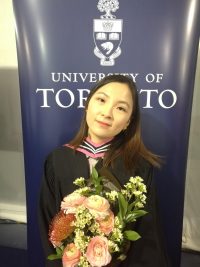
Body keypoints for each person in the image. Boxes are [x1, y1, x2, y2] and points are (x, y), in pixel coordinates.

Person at [38, 74, 170, 267]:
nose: (107, 113)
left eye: (121, 108)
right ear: (87, 104)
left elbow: (147, 237)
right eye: (101, 100)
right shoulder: (57, 161)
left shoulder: (138, 167)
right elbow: (48, 227)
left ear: (128, 122)